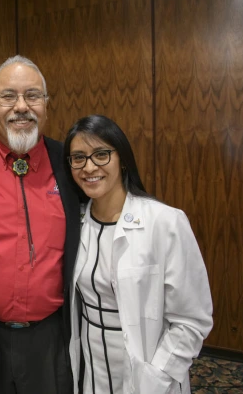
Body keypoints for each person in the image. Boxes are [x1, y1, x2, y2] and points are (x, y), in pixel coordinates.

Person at [63, 114, 213, 394]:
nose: (89, 166)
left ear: (122, 158)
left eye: (101, 154)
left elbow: (192, 320)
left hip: (148, 374)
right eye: (78, 158)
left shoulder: (165, 222)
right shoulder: (76, 224)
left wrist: (157, 377)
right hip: (92, 370)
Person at [0, 55, 81, 394]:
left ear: (45, 105)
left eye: (33, 96)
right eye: (8, 96)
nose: (21, 106)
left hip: (52, 337)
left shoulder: (71, 164)